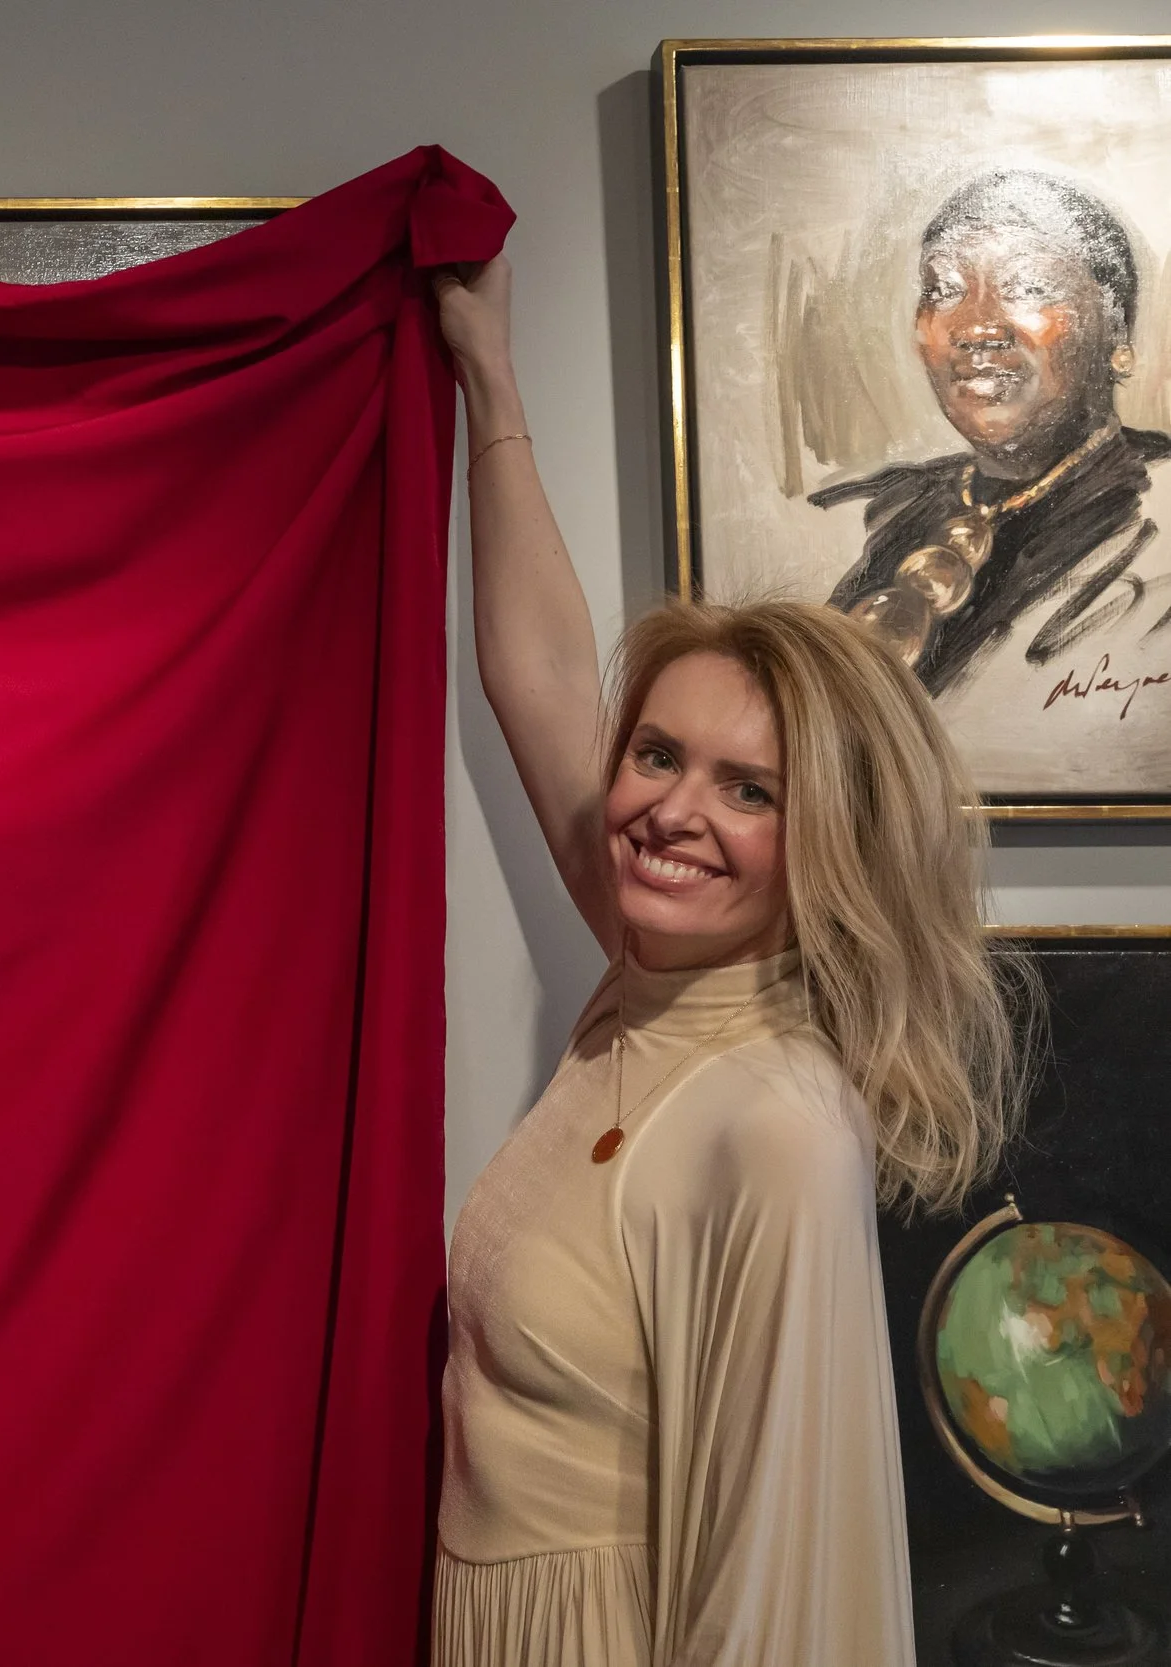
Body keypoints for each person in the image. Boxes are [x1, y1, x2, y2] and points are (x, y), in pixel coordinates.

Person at [429, 256, 1023, 1665]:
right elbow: (545, 680)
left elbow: (780, 1586)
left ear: (826, 840)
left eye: (750, 788)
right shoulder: (654, 970)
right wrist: (488, 377)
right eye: (657, 755)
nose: (673, 810)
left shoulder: (769, 1115)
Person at [817, 171, 1171, 745]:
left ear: (1118, 337)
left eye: (1028, 285)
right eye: (943, 291)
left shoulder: (1160, 522)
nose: (973, 327)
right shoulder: (860, 515)